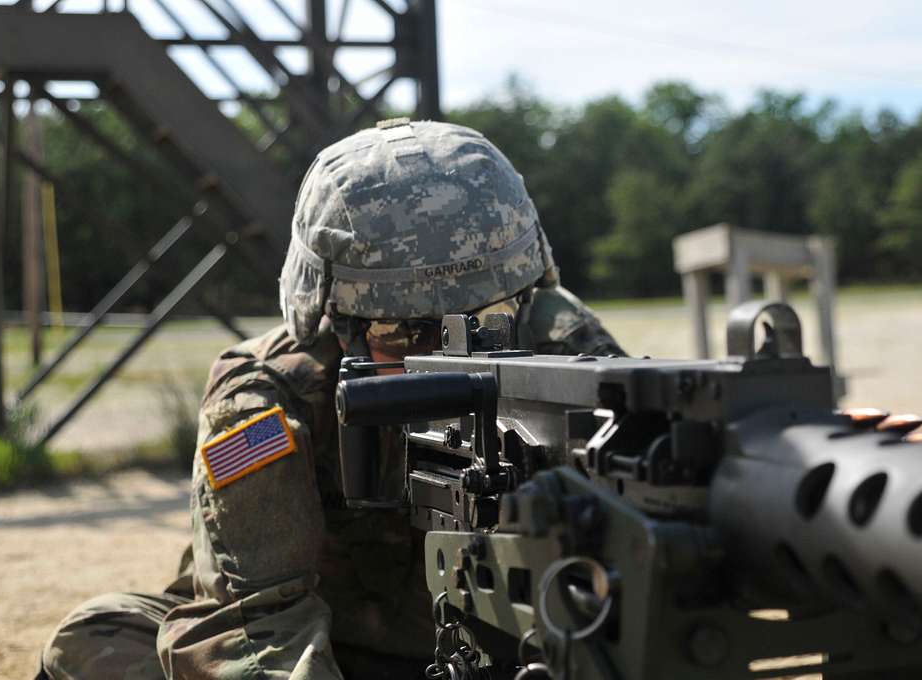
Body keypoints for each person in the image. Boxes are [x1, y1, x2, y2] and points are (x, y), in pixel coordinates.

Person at [37, 119, 624, 680]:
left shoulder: (566, 348)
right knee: (98, 635)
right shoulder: (269, 394)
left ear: (523, 297)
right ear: (332, 321)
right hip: (327, 656)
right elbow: (257, 618)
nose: (445, 357)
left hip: (517, 652)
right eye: (401, 333)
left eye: (482, 322)